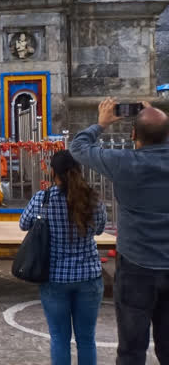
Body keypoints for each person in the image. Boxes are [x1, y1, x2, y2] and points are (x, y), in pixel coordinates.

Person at [69, 98, 169, 364]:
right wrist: (154, 118)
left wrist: (101, 124)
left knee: (131, 349)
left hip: (136, 265)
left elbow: (78, 147)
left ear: (133, 133)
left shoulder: (124, 163)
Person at [20, 150, 107, 365]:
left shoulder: (43, 198)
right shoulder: (92, 199)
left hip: (55, 277)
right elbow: (100, 229)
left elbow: (23, 224)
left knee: (59, 338)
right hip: (89, 275)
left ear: (53, 173)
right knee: (86, 339)